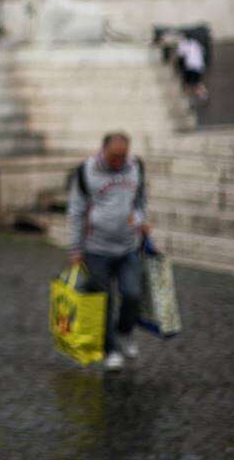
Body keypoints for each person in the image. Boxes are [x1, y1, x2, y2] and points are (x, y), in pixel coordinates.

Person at [65, 132, 149, 372]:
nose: (118, 162)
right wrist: (75, 249)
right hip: (96, 249)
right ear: (103, 151)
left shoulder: (135, 167)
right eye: (114, 157)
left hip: (128, 246)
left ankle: (125, 330)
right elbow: (76, 211)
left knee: (132, 293)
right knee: (104, 301)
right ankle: (110, 349)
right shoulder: (86, 171)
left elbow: (140, 201)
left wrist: (142, 221)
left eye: (122, 156)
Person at [176, 33, 208, 109]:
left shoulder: (183, 44)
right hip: (199, 66)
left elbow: (180, 55)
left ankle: (191, 100)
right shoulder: (196, 43)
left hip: (190, 66)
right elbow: (203, 52)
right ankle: (203, 96)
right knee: (197, 82)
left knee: (188, 84)